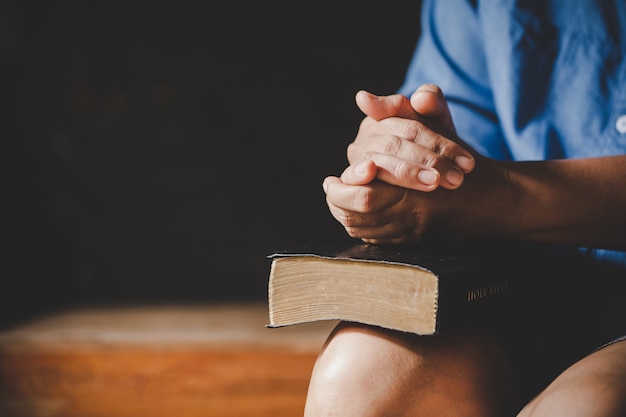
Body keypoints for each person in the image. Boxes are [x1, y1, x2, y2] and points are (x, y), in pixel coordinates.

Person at [304, 1, 626, 416]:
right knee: (359, 374)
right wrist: (404, 165)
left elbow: (481, 192)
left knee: (585, 406)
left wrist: (501, 197)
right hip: (522, 293)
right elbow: (456, 147)